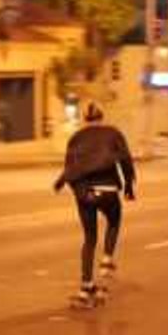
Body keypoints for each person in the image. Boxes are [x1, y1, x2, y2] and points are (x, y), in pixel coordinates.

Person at [53, 102, 136, 307]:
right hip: (108, 189)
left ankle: (85, 287)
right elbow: (125, 160)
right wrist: (128, 186)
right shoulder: (113, 133)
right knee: (114, 221)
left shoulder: (76, 138)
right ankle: (107, 258)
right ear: (102, 117)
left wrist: (60, 182)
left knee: (89, 239)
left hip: (84, 192)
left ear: (85, 119)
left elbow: (70, 166)